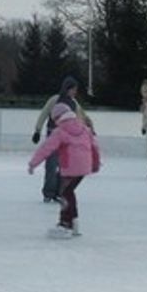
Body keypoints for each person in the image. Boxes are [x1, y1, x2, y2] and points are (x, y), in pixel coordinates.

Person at [28, 102, 100, 238]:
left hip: (70, 167)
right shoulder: (84, 128)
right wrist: (95, 164)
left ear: (57, 118)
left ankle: (65, 224)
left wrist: (33, 163)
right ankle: (73, 223)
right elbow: (94, 147)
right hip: (84, 166)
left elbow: (46, 148)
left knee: (65, 194)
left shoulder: (60, 131)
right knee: (68, 192)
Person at [32, 76, 95, 203]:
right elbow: (44, 114)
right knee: (51, 165)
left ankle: (59, 192)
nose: (75, 92)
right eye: (73, 89)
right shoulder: (54, 99)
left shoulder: (73, 102)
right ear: (67, 88)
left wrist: (89, 127)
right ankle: (48, 192)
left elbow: (81, 116)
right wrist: (37, 131)